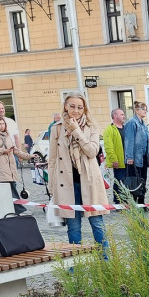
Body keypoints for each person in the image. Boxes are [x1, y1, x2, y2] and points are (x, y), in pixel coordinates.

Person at [49, 94, 108, 248]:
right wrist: (51, 185)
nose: (76, 110)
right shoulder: (57, 128)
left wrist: (76, 131)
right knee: (73, 227)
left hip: (88, 180)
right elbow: (53, 159)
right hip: (67, 183)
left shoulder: (92, 126)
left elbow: (92, 151)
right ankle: (75, 264)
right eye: (72, 106)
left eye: (80, 107)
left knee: (97, 223)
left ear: (84, 109)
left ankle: (106, 261)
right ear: (65, 106)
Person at [0, 115, 33, 211]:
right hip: (1, 165)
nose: (2, 126)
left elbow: (14, 149)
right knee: (9, 187)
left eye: (3, 124)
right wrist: (3, 151)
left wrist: (29, 156)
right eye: (0, 124)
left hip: (11, 165)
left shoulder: (7, 135)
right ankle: (20, 210)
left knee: (11, 186)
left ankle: (10, 209)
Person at [122, 102, 149, 205]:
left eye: (146, 109)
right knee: (134, 181)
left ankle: (142, 202)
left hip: (143, 157)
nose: (145, 111)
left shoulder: (143, 123)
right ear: (137, 110)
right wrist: (129, 157)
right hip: (134, 157)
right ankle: (133, 203)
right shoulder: (132, 123)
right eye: (144, 109)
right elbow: (129, 141)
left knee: (143, 180)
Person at [104, 108, 127, 202]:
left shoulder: (125, 128)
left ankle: (126, 199)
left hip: (127, 160)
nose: (124, 116)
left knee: (126, 181)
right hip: (118, 161)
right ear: (115, 116)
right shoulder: (109, 130)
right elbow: (109, 147)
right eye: (121, 114)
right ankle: (118, 201)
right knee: (119, 181)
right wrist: (114, 159)